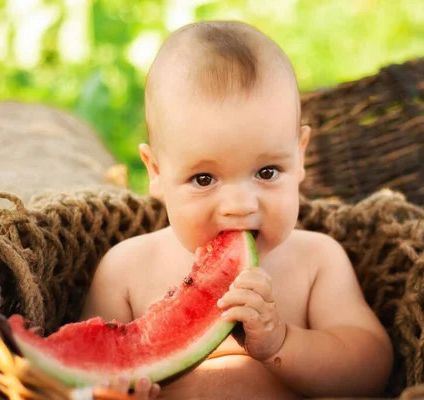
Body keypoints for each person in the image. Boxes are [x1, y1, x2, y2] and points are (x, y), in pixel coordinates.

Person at [80, 20, 393, 399]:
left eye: (267, 172)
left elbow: (371, 370)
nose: (240, 206)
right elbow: (85, 373)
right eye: (204, 179)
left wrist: (281, 343)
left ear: (300, 154)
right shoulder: (124, 271)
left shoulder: (318, 261)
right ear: (156, 172)